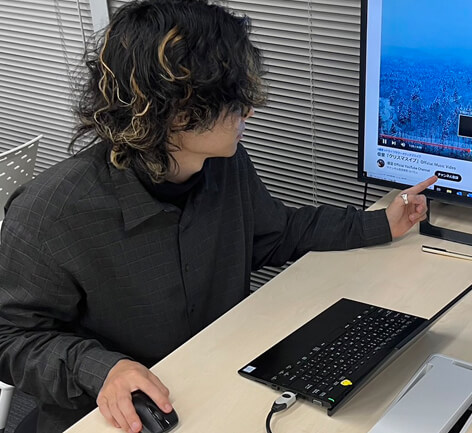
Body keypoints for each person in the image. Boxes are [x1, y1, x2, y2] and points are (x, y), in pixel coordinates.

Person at [0, 1, 436, 432]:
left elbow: (276, 233)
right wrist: (100, 368)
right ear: (176, 112)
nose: (249, 111)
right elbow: (9, 338)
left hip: (219, 380)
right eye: (233, 100)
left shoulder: (223, 163)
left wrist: (381, 223)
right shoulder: (50, 213)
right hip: (120, 417)